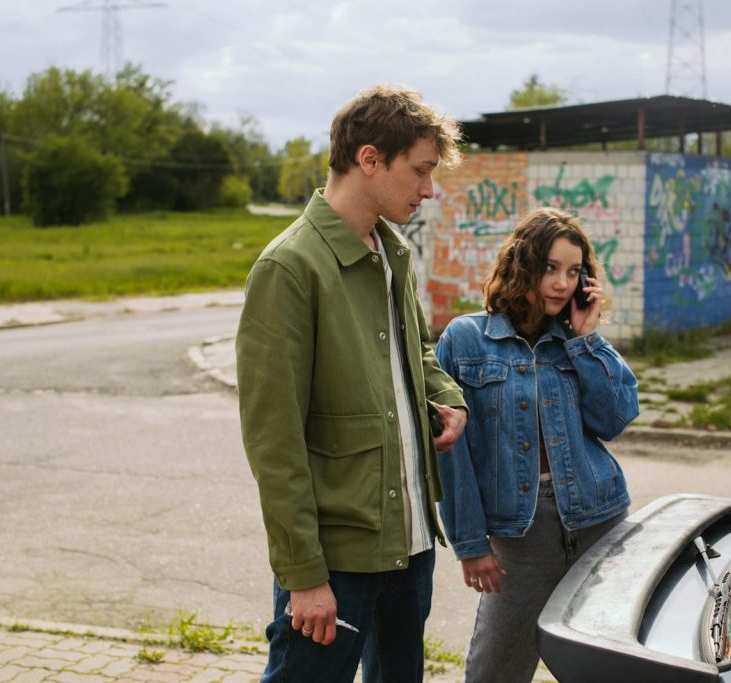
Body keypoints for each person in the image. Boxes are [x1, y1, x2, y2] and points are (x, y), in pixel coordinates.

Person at [236, 84, 469, 683]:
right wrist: (303, 574)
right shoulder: (289, 268)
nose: (428, 189)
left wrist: (443, 394)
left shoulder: (392, 250)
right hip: (336, 562)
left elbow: (416, 349)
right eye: (419, 172)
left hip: (411, 540)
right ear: (370, 159)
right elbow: (273, 440)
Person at [434, 207, 640, 682]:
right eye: (550, 267)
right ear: (522, 264)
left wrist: (587, 339)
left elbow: (615, 418)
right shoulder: (466, 340)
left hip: (599, 519)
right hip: (521, 537)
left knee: (607, 667)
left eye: (574, 271)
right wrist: (470, 543)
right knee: (496, 671)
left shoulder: (574, 342)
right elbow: (451, 456)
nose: (562, 283)